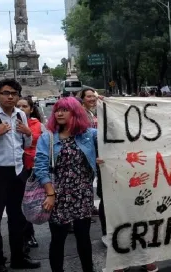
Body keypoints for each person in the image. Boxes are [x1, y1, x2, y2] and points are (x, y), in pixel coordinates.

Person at [34, 97, 101, 272]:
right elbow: (40, 167)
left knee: (83, 237)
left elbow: (114, 134)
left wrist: (106, 104)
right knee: (58, 239)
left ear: (75, 113)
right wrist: (50, 194)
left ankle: (88, 269)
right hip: (57, 196)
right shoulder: (47, 138)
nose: (59, 113)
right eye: (57, 110)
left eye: (65, 110)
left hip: (82, 194)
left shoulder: (88, 135)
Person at [0, 79, 41, 271]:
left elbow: (28, 142)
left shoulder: (21, 114)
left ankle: (18, 257)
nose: (10, 96)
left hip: (17, 171)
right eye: (6, 93)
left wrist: (28, 132)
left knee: (18, 218)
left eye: (14, 93)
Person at [17, 97, 46, 250]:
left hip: (36, 167)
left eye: (24, 106)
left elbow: (47, 144)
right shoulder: (10, 123)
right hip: (19, 167)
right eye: (18, 106)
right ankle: (28, 234)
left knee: (37, 200)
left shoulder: (38, 125)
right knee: (22, 202)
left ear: (31, 109)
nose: (21, 109)